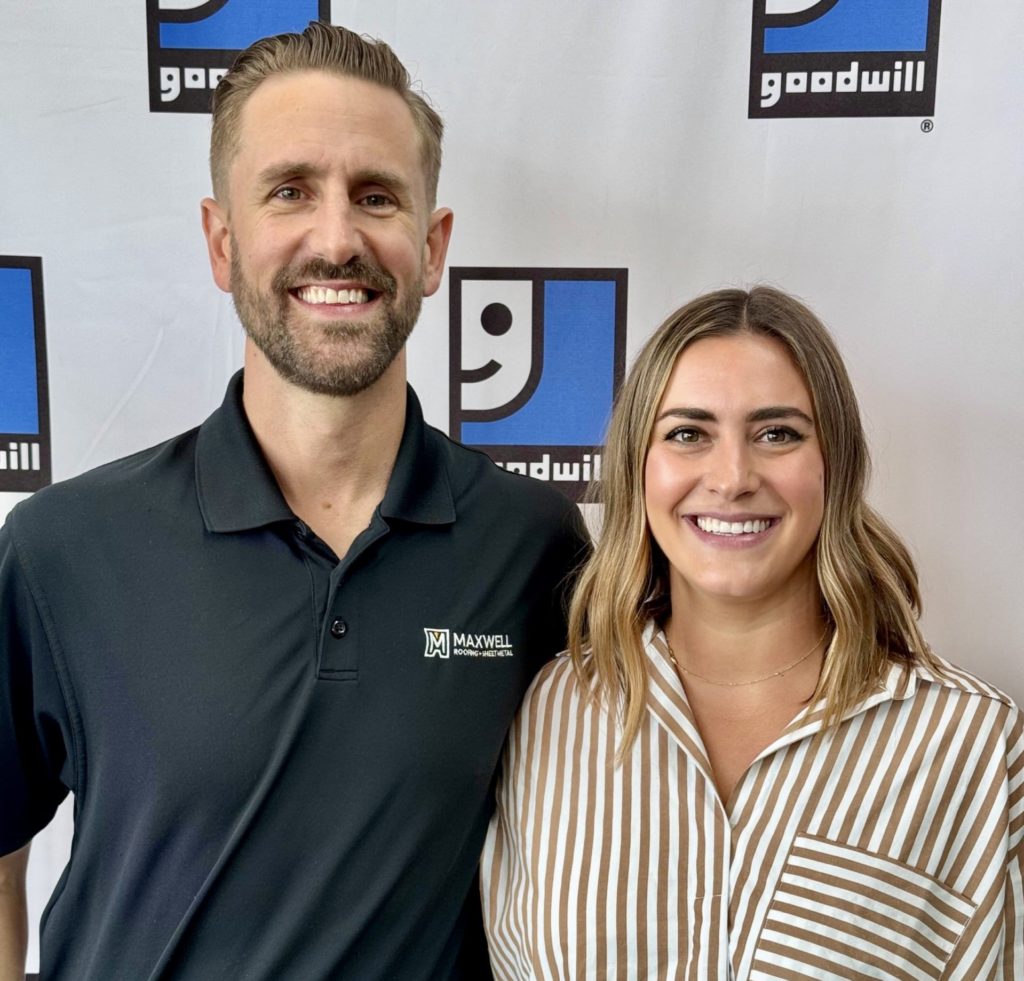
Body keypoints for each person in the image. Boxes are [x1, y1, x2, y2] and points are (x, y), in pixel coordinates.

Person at [0, 22, 587, 980]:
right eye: (289, 191)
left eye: (376, 196)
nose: (337, 238)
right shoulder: (62, 549)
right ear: (222, 243)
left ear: (432, 248)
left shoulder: (534, 547)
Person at [481, 287, 1023, 979]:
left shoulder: (968, 742)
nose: (733, 477)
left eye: (778, 433)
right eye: (688, 433)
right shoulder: (550, 709)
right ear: (638, 468)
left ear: (835, 465)